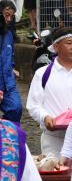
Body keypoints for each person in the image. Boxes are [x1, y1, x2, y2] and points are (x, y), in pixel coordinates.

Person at [27, 27, 72, 158]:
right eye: (69, 43)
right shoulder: (43, 74)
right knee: (57, 173)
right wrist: (45, 117)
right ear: (56, 46)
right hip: (53, 139)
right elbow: (33, 105)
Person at [0, 0, 23, 123]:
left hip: (8, 80)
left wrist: (12, 67)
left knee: (16, 108)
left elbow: (10, 55)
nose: (9, 19)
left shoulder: (10, 33)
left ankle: (11, 136)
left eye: (11, 16)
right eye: (6, 15)